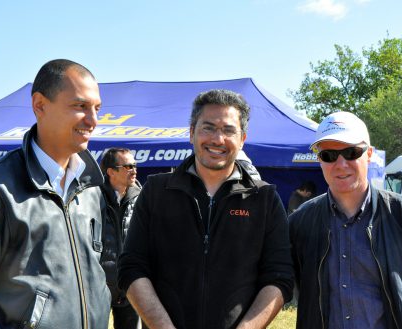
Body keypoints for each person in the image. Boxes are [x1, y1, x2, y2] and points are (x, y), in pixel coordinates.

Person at [118, 89, 294, 329]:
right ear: (192, 133)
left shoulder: (264, 199)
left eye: (228, 130)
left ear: (242, 139)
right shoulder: (156, 191)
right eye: (208, 127)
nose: (217, 139)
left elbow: (279, 277)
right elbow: (132, 267)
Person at [0, 59, 110, 328]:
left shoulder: (91, 186)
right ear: (40, 105)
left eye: (97, 108)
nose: (93, 120)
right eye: (80, 106)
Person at [289, 111, 402, 329]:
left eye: (351, 152)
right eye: (329, 155)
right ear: (319, 159)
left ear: (368, 154)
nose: (340, 164)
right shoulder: (300, 222)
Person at [100, 147, 142, 329]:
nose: (134, 170)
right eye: (128, 166)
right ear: (111, 172)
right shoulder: (93, 198)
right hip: (99, 287)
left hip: (130, 285)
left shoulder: (142, 198)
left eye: (135, 165)